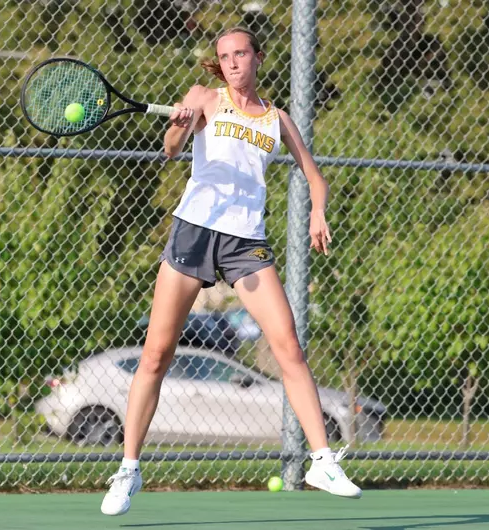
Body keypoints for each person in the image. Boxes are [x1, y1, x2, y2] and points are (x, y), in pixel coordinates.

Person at [100, 27, 361, 517]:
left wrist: (317, 211)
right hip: (194, 232)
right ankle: (129, 469)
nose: (233, 62)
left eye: (240, 53)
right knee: (156, 354)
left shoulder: (277, 119)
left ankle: (322, 461)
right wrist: (180, 122)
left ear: (257, 58)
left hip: (245, 243)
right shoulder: (205, 97)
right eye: (225, 56)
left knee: (288, 345)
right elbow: (171, 148)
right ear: (218, 65)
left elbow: (313, 175)